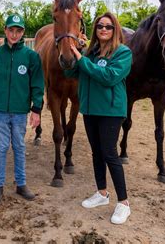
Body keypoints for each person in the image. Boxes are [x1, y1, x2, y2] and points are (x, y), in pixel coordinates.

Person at [66, 12, 132, 224]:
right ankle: (102, 193)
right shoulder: (90, 52)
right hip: (90, 109)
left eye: (108, 26)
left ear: (115, 30)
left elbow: (109, 77)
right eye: (100, 26)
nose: (104, 29)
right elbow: (73, 74)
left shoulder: (122, 53)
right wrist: (69, 55)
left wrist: (81, 59)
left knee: (110, 153)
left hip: (111, 111)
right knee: (96, 152)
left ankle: (124, 203)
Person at [0, 13, 44, 207]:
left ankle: (21, 184)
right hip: (0, 110)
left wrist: (36, 109)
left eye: (18, 30)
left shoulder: (31, 56)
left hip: (20, 111)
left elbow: (38, 85)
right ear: (5, 31)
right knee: (2, 147)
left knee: (19, 146)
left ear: (22, 33)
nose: (14, 34)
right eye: (11, 30)